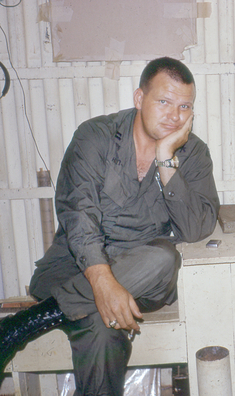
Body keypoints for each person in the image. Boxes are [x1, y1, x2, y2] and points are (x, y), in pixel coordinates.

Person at [0, 57, 220, 395]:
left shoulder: (193, 154)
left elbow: (196, 228)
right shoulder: (95, 137)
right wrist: (102, 281)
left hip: (143, 277)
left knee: (163, 258)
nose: (174, 116)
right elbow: (77, 213)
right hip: (75, 269)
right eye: (163, 101)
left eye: (184, 106)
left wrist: (165, 159)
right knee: (101, 329)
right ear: (138, 99)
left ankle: (23, 326)